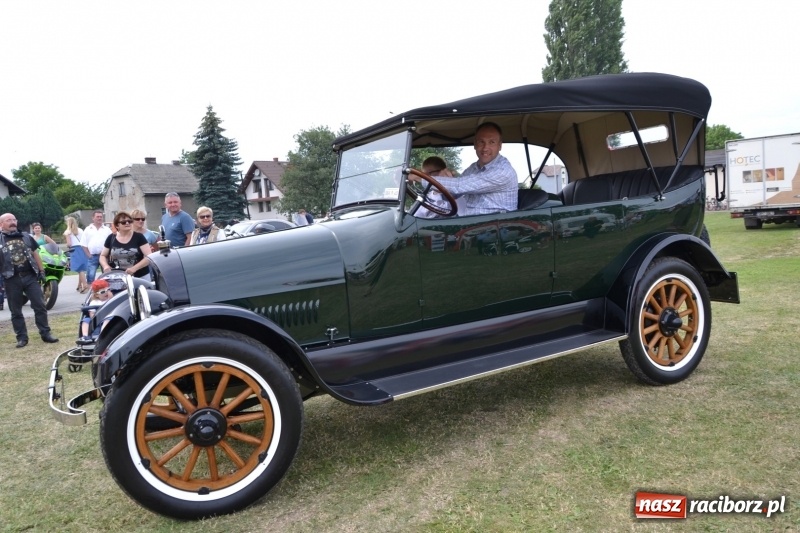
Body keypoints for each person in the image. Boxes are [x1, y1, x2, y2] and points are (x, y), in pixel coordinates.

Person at [408, 122, 518, 216]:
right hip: (472, 225)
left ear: (500, 146)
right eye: (481, 142)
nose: (485, 148)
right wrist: (443, 182)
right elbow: (454, 194)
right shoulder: (474, 168)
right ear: (475, 144)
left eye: (492, 142)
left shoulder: (503, 171)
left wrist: (418, 177)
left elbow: (459, 185)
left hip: (495, 230)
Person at [0, 213, 59, 348]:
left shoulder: (26, 236)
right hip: (11, 278)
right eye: (8, 220)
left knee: (40, 305)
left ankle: (45, 333)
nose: (13, 222)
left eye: (14, 219)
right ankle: (22, 338)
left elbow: (35, 253)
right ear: (1, 224)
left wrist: (42, 271)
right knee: (15, 310)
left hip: (30, 276)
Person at [99, 212, 152, 278]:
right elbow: (103, 255)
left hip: (140, 276)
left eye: (129, 221)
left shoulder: (139, 237)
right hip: (117, 276)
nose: (127, 223)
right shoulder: (111, 238)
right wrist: (105, 266)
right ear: (117, 225)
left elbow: (149, 257)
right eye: (123, 222)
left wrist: (134, 268)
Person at [81, 210, 112, 285]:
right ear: (93, 218)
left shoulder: (107, 230)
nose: (99, 218)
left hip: (104, 256)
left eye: (101, 217)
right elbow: (83, 244)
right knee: (90, 276)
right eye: (97, 217)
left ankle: (107, 290)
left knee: (107, 275)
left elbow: (112, 242)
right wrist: (89, 255)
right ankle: (91, 292)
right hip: (93, 256)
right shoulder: (88, 230)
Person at [63, 216, 89, 293]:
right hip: (82, 248)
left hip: (75, 249)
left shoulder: (67, 232)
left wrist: (67, 245)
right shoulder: (80, 230)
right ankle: (79, 285)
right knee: (81, 267)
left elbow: (69, 244)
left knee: (79, 269)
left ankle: (85, 285)